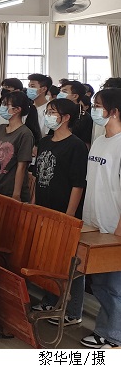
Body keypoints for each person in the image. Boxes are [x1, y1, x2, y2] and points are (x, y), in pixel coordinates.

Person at [31, 98, 88, 326]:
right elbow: (37, 176)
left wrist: (69, 215)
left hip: (64, 212)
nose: (48, 116)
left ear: (66, 117)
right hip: (44, 209)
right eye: (47, 111)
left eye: (53, 112)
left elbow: (78, 184)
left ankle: (73, 311)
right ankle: (50, 300)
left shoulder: (76, 146)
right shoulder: (45, 141)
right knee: (49, 257)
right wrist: (33, 204)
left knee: (70, 263)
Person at [80, 88, 121, 349]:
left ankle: (114, 337)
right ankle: (105, 331)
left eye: (98, 106)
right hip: (95, 222)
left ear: (114, 111)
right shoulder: (98, 141)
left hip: (114, 226)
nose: (93, 110)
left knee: (115, 287)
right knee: (101, 284)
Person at [0, 91, 34, 202]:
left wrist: (16, 194)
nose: (2, 107)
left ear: (17, 110)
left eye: (5, 104)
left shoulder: (25, 133)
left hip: (10, 189)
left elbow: (22, 166)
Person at [58, 80, 93, 148]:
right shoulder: (58, 113)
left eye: (64, 92)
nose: (60, 94)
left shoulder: (84, 117)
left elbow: (86, 142)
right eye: (60, 91)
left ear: (75, 96)